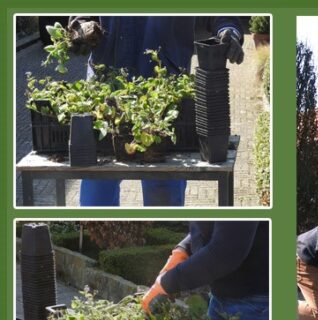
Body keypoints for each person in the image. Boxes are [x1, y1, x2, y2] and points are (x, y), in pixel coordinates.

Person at [67, 16, 244, 206]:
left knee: (163, 198)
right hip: (105, 94)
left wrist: (229, 29)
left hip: (163, 94)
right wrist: (82, 23)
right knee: (96, 197)